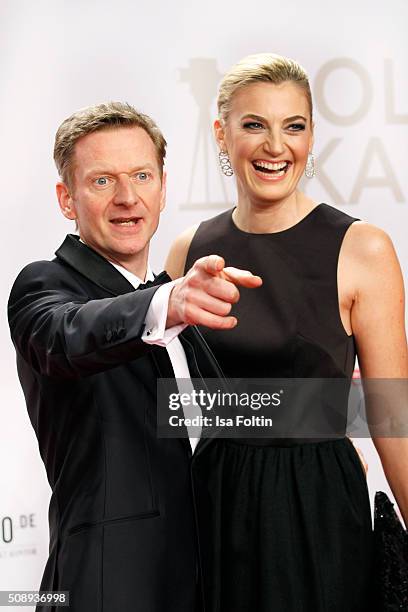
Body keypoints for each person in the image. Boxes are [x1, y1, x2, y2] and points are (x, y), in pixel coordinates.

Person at [166, 54, 408, 611]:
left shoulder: (363, 249)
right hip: (214, 501)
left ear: (311, 136)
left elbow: (391, 416)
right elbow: (180, 404)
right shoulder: (188, 252)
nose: (276, 146)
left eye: (293, 126)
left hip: (317, 503)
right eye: (254, 125)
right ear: (221, 136)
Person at [7, 102, 261, 612]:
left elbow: (218, 419)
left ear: (162, 188)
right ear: (66, 198)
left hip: (209, 582)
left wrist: (331, 406)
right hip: (108, 586)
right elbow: (67, 336)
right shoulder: (46, 286)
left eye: (142, 176)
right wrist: (166, 303)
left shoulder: (177, 299)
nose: (127, 198)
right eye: (102, 181)